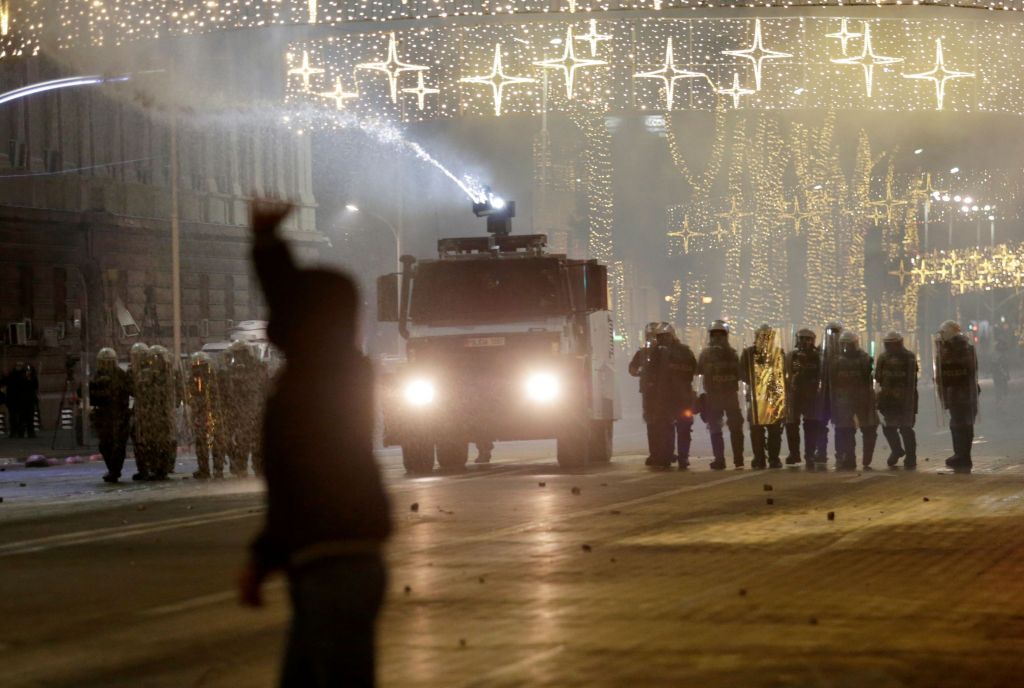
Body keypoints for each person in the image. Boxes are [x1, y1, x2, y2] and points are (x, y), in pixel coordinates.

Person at [239, 199, 391, 687]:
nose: (274, 319)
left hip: (333, 564)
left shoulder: (322, 378)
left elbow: (299, 481)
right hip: (329, 560)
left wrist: (268, 246)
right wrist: (267, 244)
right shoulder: (331, 370)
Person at [629, 322, 696, 468]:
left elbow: (653, 372)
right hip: (673, 395)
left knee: (666, 425)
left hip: (666, 396)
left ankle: (667, 456)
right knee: (669, 426)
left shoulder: (658, 353)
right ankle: (674, 457)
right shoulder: (683, 351)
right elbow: (694, 370)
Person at [697, 320, 744, 470]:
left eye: (720, 335)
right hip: (722, 396)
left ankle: (725, 459)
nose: (717, 338)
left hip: (721, 396)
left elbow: (697, 370)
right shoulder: (732, 354)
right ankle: (734, 459)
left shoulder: (706, 354)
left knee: (723, 427)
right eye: (715, 335)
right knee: (725, 427)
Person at [829, 331, 878, 470]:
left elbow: (870, 378)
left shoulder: (864, 359)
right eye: (844, 345)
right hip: (845, 401)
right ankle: (849, 459)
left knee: (868, 429)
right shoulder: (837, 361)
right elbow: (833, 382)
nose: (847, 348)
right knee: (846, 431)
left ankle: (866, 458)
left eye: (849, 345)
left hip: (862, 399)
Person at [935, 320, 979, 473]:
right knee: (963, 424)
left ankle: (962, 456)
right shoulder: (967, 348)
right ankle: (962, 455)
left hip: (958, 393)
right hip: (964, 393)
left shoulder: (954, 350)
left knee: (960, 425)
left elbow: (949, 372)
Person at [740, 324, 786, 469]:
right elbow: (743, 374)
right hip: (756, 397)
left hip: (772, 397)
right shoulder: (749, 353)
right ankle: (761, 458)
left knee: (773, 430)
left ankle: (772, 458)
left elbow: (782, 374)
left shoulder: (777, 353)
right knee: (757, 430)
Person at [875, 331, 918, 470]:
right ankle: (897, 449)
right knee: (888, 427)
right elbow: (878, 376)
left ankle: (911, 457)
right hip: (888, 399)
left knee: (906, 428)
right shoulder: (883, 357)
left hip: (905, 399)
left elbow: (912, 379)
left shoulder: (909, 357)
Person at [88, 348, 133, 483]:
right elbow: (88, 394)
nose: (106, 366)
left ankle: (115, 470)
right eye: (104, 363)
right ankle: (112, 469)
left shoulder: (120, 375)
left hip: (119, 415)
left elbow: (130, 390)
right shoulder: (96, 376)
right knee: (105, 445)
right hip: (104, 416)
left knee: (118, 445)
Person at [224, 341, 268, 477]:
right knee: (253, 441)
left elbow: (230, 391)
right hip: (251, 410)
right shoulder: (256, 367)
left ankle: (242, 468)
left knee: (245, 441)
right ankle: (252, 468)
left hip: (244, 410)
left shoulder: (237, 369)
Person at [784, 328, 824, 470]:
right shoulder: (790, 356)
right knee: (791, 425)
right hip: (794, 394)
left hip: (811, 396)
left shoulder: (818, 357)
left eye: (808, 339)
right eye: (801, 339)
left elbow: (821, 376)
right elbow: (785, 374)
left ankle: (809, 454)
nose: (804, 342)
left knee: (811, 426)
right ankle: (794, 453)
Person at [187, 352, 223, 480]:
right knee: (215, 443)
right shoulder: (213, 375)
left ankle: (205, 470)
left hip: (203, 415)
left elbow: (190, 396)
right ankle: (217, 471)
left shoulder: (194, 377)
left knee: (203, 444)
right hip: (213, 414)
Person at [816, 321, 844, 466]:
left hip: (840, 395)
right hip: (824, 395)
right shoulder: (820, 351)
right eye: (830, 332)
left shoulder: (846, 350)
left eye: (835, 332)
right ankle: (821, 451)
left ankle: (841, 453)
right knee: (821, 424)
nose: (833, 335)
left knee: (840, 425)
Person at [128, 343, 151, 480]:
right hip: (140, 411)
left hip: (149, 411)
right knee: (138, 441)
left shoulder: (149, 371)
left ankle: (149, 468)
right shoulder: (133, 371)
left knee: (147, 441)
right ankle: (143, 468)